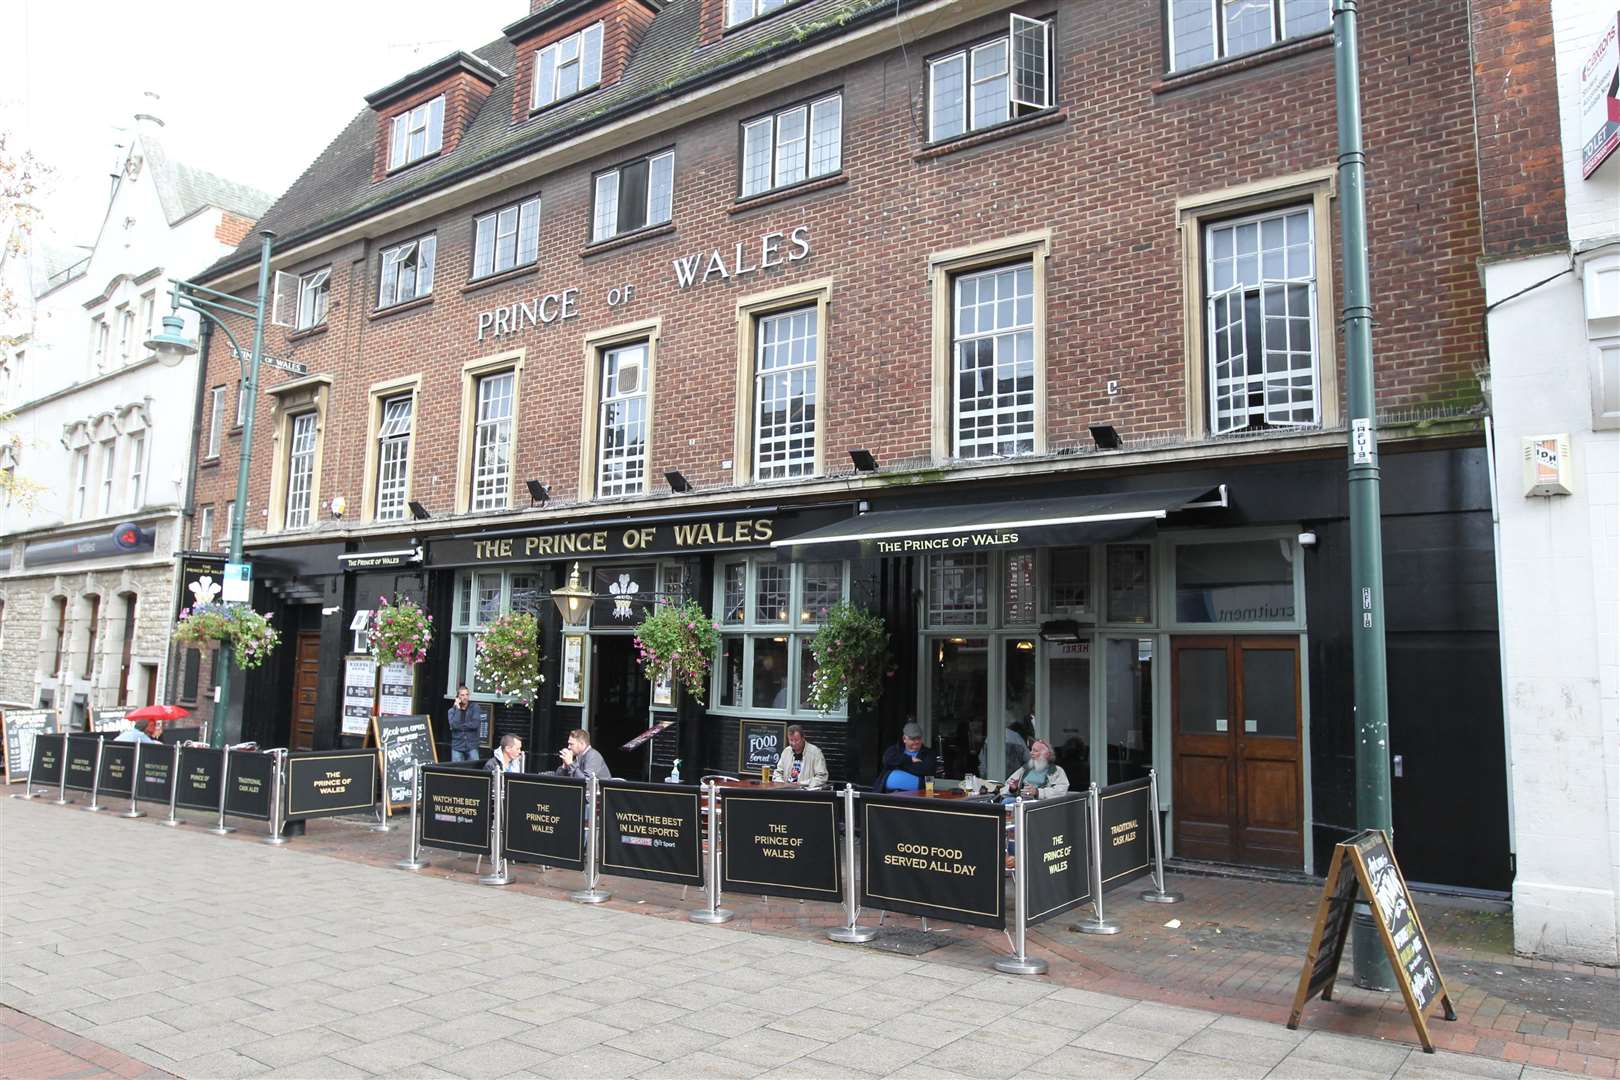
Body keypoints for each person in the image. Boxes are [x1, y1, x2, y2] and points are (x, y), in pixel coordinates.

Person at [878, 721, 938, 793]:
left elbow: (926, 770)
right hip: (887, 793)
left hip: (916, 797)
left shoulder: (928, 753)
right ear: (904, 739)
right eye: (913, 739)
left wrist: (898, 764)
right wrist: (910, 759)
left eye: (918, 738)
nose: (916, 741)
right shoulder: (895, 749)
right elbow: (886, 760)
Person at [1006, 739, 1070, 799]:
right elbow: (1005, 788)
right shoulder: (1025, 768)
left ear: (1046, 754)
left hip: (1040, 806)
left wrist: (1037, 792)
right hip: (1020, 802)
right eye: (1031, 750)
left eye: (1035, 751)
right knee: (1006, 802)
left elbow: (1061, 791)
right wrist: (1012, 789)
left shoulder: (1056, 771)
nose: (1031, 753)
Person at [447, 685, 484, 763]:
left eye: (467, 694)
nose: (465, 697)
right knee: (456, 771)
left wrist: (460, 726)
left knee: (475, 769)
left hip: (471, 745)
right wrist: (457, 708)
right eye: (462, 695)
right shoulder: (451, 711)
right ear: (457, 697)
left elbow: (475, 724)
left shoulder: (474, 707)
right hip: (457, 746)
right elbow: (454, 725)